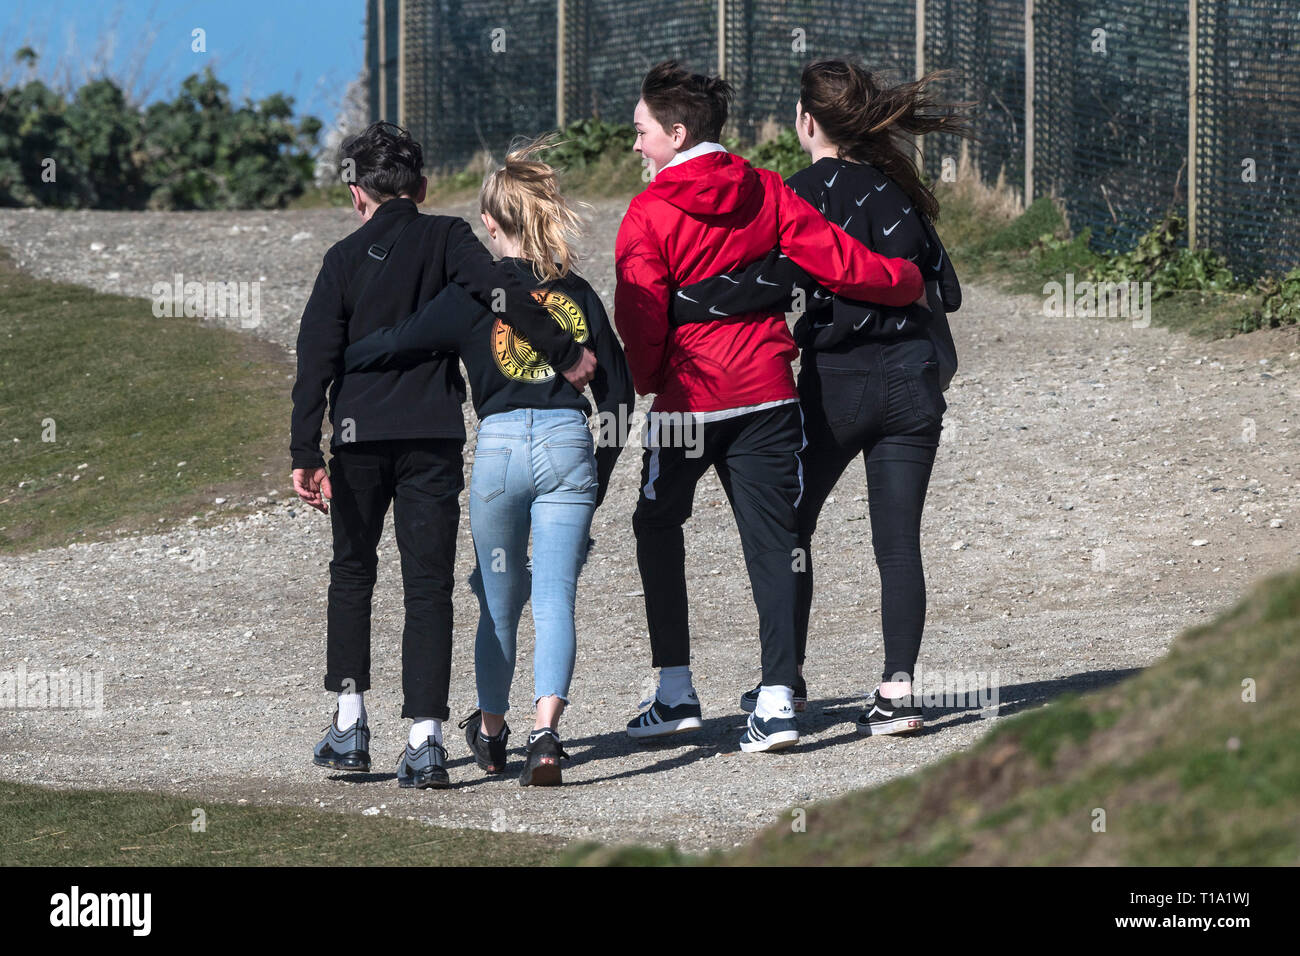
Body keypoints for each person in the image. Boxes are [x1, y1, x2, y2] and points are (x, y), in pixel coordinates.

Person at [614, 60, 926, 753]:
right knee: (776, 544)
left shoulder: (648, 211)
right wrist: (904, 281)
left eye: (640, 132)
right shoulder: (766, 189)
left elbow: (639, 318)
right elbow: (838, 260)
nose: (634, 145)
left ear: (675, 130)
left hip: (688, 400)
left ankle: (675, 692)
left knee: (656, 523)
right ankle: (778, 702)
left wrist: (649, 377)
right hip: (766, 391)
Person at [291, 122, 595, 790]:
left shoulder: (342, 260)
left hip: (356, 433)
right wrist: (565, 352)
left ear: (355, 193)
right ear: (423, 188)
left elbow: (315, 355)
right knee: (427, 584)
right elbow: (503, 293)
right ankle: (425, 740)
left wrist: (303, 447)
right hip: (431, 434)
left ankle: (349, 723)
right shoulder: (451, 238)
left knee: (353, 572)